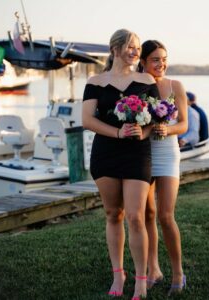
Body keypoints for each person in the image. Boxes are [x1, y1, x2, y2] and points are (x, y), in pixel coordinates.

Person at [82, 29, 160, 300]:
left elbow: (155, 120)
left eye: (137, 47)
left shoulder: (146, 79)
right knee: (113, 214)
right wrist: (117, 132)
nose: (135, 51)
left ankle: (141, 279)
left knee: (135, 216)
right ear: (114, 49)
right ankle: (119, 274)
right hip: (105, 153)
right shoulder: (96, 81)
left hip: (137, 154)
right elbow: (87, 120)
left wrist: (145, 132)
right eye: (130, 46)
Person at [137, 40, 187, 296]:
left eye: (164, 58)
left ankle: (178, 272)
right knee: (146, 214)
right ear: (143, 61)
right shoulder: (136, 85)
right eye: (155, 59)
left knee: (165, 216)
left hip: (167, 154)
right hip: (142, 154)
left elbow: (184, 125)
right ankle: (153, 269)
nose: (161, 64)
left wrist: (168, 129)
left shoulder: (175, 86)